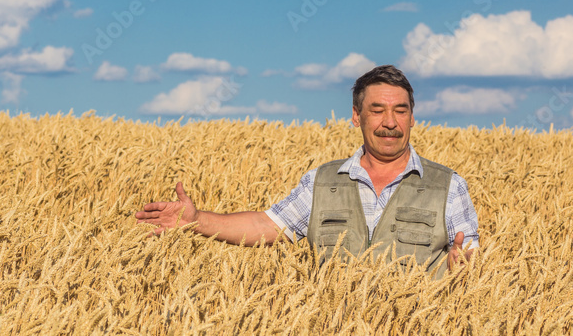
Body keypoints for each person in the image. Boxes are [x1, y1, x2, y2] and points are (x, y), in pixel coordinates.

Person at [135, 65, 479, 277]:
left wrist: (462, 267)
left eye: (400, 111)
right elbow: (267, 225)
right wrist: (197, 220)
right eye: (377, 110)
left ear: (412, 118)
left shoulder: (448, 186)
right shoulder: (323, 182)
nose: (390, 122)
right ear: (357, 116)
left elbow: (470, 259)